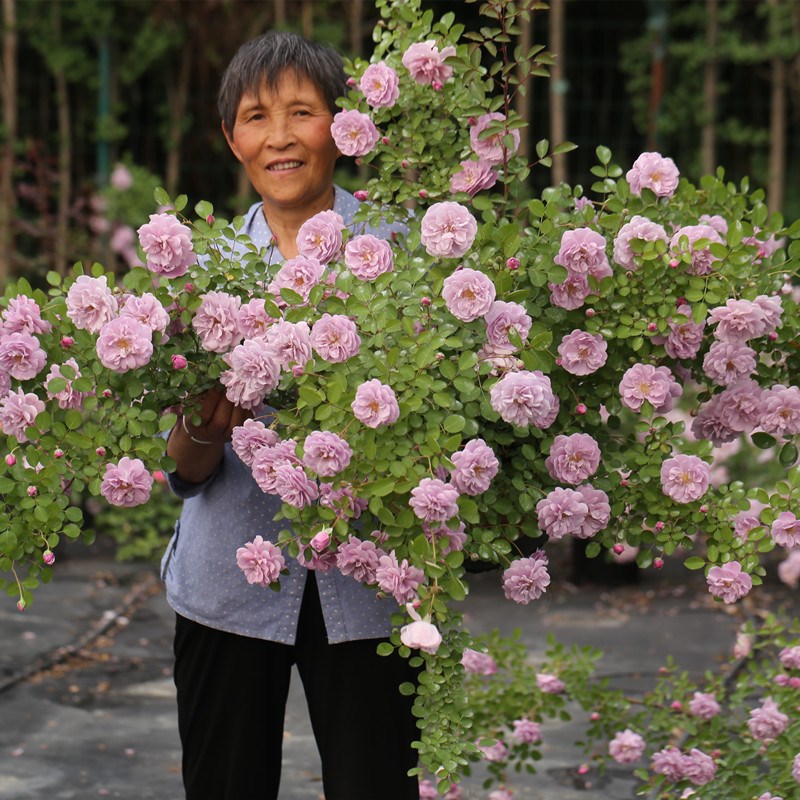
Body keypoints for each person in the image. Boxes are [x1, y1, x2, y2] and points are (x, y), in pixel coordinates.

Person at [161, 31, 419, 800]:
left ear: (341, 126)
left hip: (370, 586)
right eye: (255, 116)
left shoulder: (405, 255)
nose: (279, 136)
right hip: (227, 587)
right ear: (230, 138)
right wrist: (220, 406)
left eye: (301, 112)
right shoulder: (198, 273)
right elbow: (185, 466)